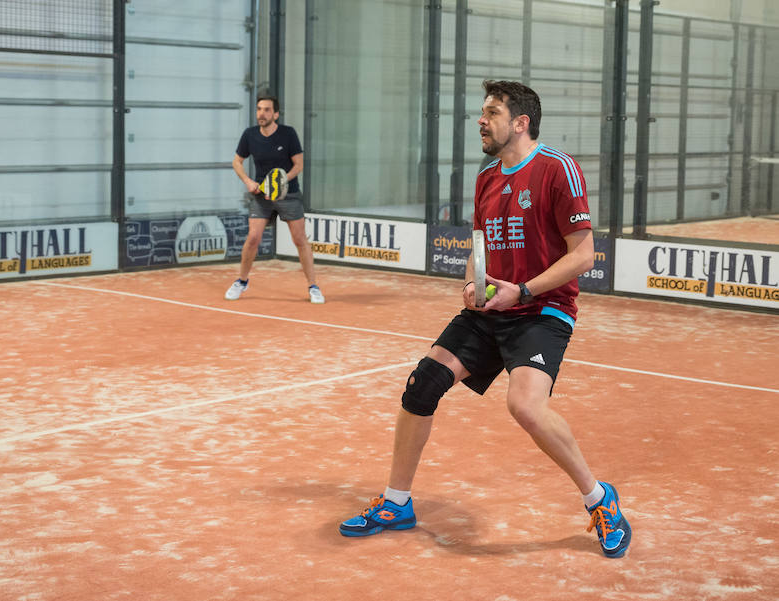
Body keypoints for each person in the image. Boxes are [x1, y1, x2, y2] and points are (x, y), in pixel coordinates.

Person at [338, 80, 631, 558]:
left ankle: (600, 500)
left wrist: (524, 289)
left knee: (526, 407)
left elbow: (583, 256)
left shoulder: (559, 170)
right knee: (422, 385)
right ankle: (397, 502)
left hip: (543, 309)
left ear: (521, 122)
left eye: (491, 112)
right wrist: (475, 281)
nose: (480, 120)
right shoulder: (487, 177)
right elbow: (479, 245)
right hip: (493, 307)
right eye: (482, 111)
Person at [225, 93, 325, 304]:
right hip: (261, 196)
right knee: (253, 238)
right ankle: (242, 281)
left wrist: (280, 181)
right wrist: (248, 182)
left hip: (288, 194)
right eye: (259, 109)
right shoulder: (249, 135)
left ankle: (313, 286)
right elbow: (236, 162)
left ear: (276, 114)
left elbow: (298, 165)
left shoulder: (288, 134)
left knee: (300, 240)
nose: (262, 113)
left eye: (267, 110)